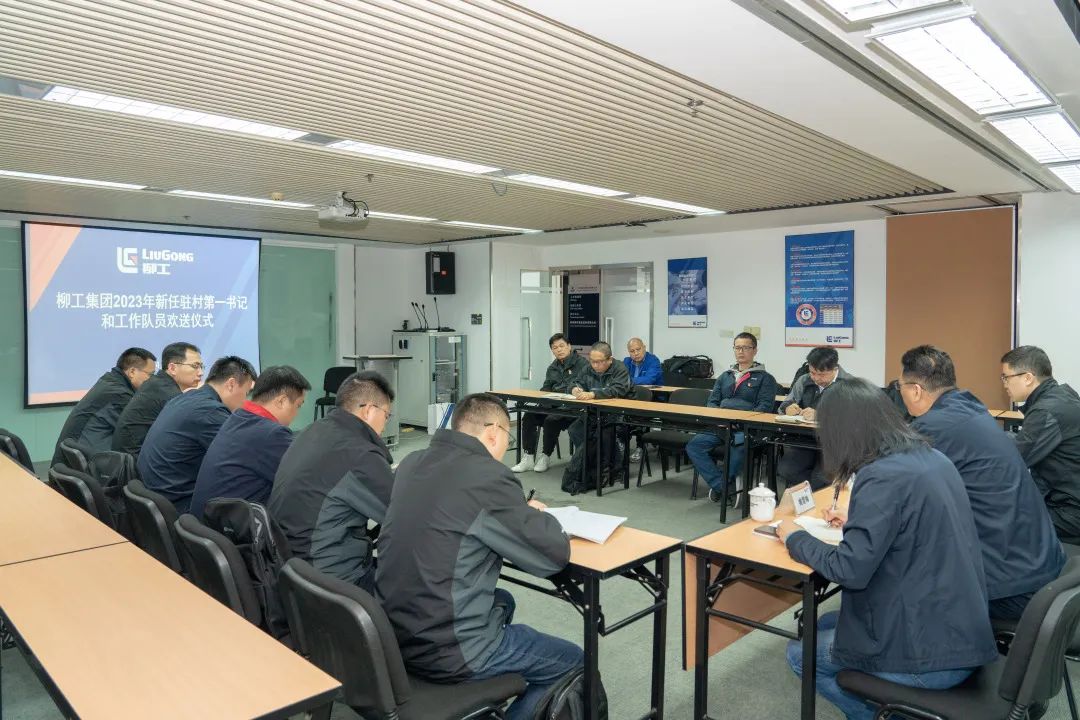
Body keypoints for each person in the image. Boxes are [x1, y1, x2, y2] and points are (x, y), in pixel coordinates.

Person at [775, 379, 998, 720]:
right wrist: (857, 520)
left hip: (929, 655)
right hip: (960, 628)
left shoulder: (880, 475)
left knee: (799, 655)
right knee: (828, 621)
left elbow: (849, 570)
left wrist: (794, 536)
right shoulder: (932, 457)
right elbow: (912, 523)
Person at [377, 393, 581, 720]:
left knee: (503, 601)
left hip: (394, 634)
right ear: (493, 433)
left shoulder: (412, 462)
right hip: (446, 647)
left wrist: (513, 510)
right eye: (508, 439)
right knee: (575, 661)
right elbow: (552, 555)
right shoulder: (489, 476)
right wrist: (538, 517)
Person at [899, 345, 1064, 619]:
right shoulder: (972, 408)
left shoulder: (933, 427)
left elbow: (896, 492)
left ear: (915, 390)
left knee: (899, 583)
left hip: (1010, 585)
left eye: (900, 386)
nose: (899, 393)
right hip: (1039, 563)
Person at [268, 370, 395, 591]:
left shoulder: (310, 432)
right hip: (329, 583)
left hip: (288, 569)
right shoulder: (360, 453)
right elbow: (403, 515)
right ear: (368, 410)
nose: (385, 425)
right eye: (386, 415)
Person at [188, 365, 311, 519]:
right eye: (298, 405)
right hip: (229, 529)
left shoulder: (238, 417)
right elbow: (305, 482)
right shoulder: (271, 433)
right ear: (282, 401)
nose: (297, 414)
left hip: (206, 524)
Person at [138, 356, 256, 513]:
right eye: (246, 393)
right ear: (231, 384)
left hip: (158, 497)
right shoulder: (210, 410)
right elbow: (243, 457)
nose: (246, 402)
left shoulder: (185, 398)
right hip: (180, 505)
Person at [686, 332, 778, 503]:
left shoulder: (766, 378)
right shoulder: (725, 376)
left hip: (745, 429)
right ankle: (724, 487)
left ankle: (723, 486)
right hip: (721, 426)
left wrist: (738, 421)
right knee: (694, 446)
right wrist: (719, 419)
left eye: (746, 347)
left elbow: (764, 408)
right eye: (737, 347)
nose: (741, 351)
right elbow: (712, 402)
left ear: (755, 350)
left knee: (737, 451)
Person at [1002, 345, 1080, 544]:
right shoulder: (1063, 396)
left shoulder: (1046, 411)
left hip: (1069, 512)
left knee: (999, 518)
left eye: (1006, 377)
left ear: (1028, 378)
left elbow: (1014, 460)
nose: (1004, 384)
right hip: (1067, 499)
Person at [52, 347, 156, 464]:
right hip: (86, 463)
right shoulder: (119, 394)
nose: (153, 380)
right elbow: (137, 432)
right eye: (151, 375)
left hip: (72, 462)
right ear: (132, 372)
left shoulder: (111, 382)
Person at [512, 333, 588, 474]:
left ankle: (545, 456)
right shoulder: (552, 367)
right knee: (529, 416)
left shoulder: (583, 364)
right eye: (555, 347)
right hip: (552, 405)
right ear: (552, 350)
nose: (559, 350)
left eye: (561, 346)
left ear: (569, 346)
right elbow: (546, 386)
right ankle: (528, 457)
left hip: (572, 409)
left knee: (551, 420)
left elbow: (583, 386)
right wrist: (543, 394)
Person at [777, 346, 852, 490]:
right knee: (786, 469)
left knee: (821, 478)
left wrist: (821, 415)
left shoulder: (849, 384)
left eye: (821, 374)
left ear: (835, 369)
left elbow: (854, 417)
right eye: (812, 373)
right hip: (806, 439)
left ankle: (815, 494)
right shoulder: (804, 380)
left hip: (834, 445)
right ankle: (813, 492)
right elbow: (785, 403)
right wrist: (788, 408)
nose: (816, 378)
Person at [112, 342, 203, 458]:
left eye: (202, 367)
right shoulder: (167, 393)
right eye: (195, 366)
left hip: (131, 457)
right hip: (136, 461)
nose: (201, 373)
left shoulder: (158, 383)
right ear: (172, 368)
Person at [566, 341, 633, 488]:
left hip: (618, 412)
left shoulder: (620, 369)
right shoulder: (588, 368)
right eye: (592, 361)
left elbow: (618, 390)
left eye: (599, 362)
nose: (595, 365)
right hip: (595, 412)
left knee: (605, 433)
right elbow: (574, 382)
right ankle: (591, 462)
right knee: (575, 430)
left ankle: (615, 468)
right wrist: (575, 389)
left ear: (609, 360)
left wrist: (593, 394)